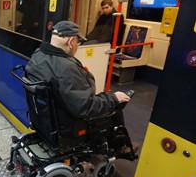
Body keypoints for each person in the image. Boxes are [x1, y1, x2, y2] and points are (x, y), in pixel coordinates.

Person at [25, 21, 138, 153]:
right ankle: (120, 148)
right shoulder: (66, 67)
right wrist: (113, 98)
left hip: (44, 118)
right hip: (66, 125)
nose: (77, 46)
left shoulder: (38, 54)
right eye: (78, 42)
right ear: (71, 41)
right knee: (115, 109)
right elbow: (85, 106)